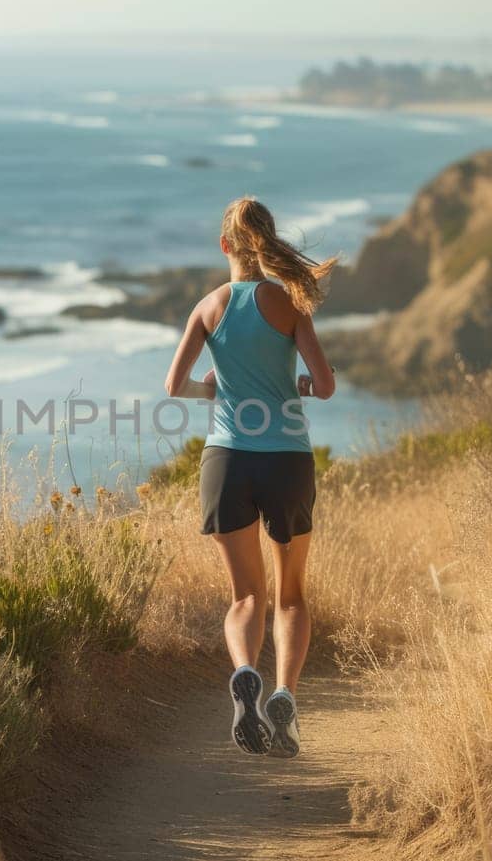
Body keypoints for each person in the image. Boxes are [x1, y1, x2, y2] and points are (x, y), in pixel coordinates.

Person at [163, 196, 337, 758]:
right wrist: (302, 387)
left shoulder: (208, 307)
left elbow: (174, 386)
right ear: (268, 241)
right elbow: (325, 383)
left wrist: (213, 388)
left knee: (245, 598)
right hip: (286, 458)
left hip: (226, 460)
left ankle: (246, 673)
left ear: (224, 247)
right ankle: (284, 692)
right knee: (289, 597)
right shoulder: (289, 302)